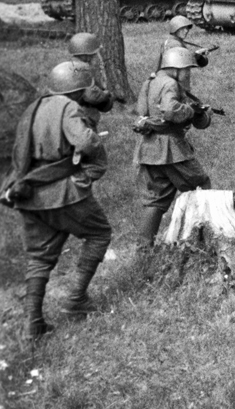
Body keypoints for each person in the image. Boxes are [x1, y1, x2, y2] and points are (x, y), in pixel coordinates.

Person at [0, 62, 113, 338]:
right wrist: (92, 151)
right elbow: (86, 141)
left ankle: (32, 323)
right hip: (63, 192)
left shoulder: (33, 108)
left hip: (27, 193)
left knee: (39, 257)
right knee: (99, 233)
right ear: (77, 89)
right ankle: (75, 300)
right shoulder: (69, 108)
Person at [133, 46, 212, 248]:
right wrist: (190, 110)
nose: (188, 73)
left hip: (148, 149)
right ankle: (201, 239)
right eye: (187, 69)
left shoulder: (150, 82)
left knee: (155, 200)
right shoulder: (171, 84)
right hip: (171, 148)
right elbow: (169, 111)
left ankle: (144, 248)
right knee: (201, 185)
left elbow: (141, 111)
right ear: (177, 68)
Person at [68, 32, 113, 112]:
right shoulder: (83, 68)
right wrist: (105, 94)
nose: (93, 55)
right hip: (77, 108)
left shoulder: (69, 64)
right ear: (85, 53)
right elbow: (91, 96)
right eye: (92, 54)